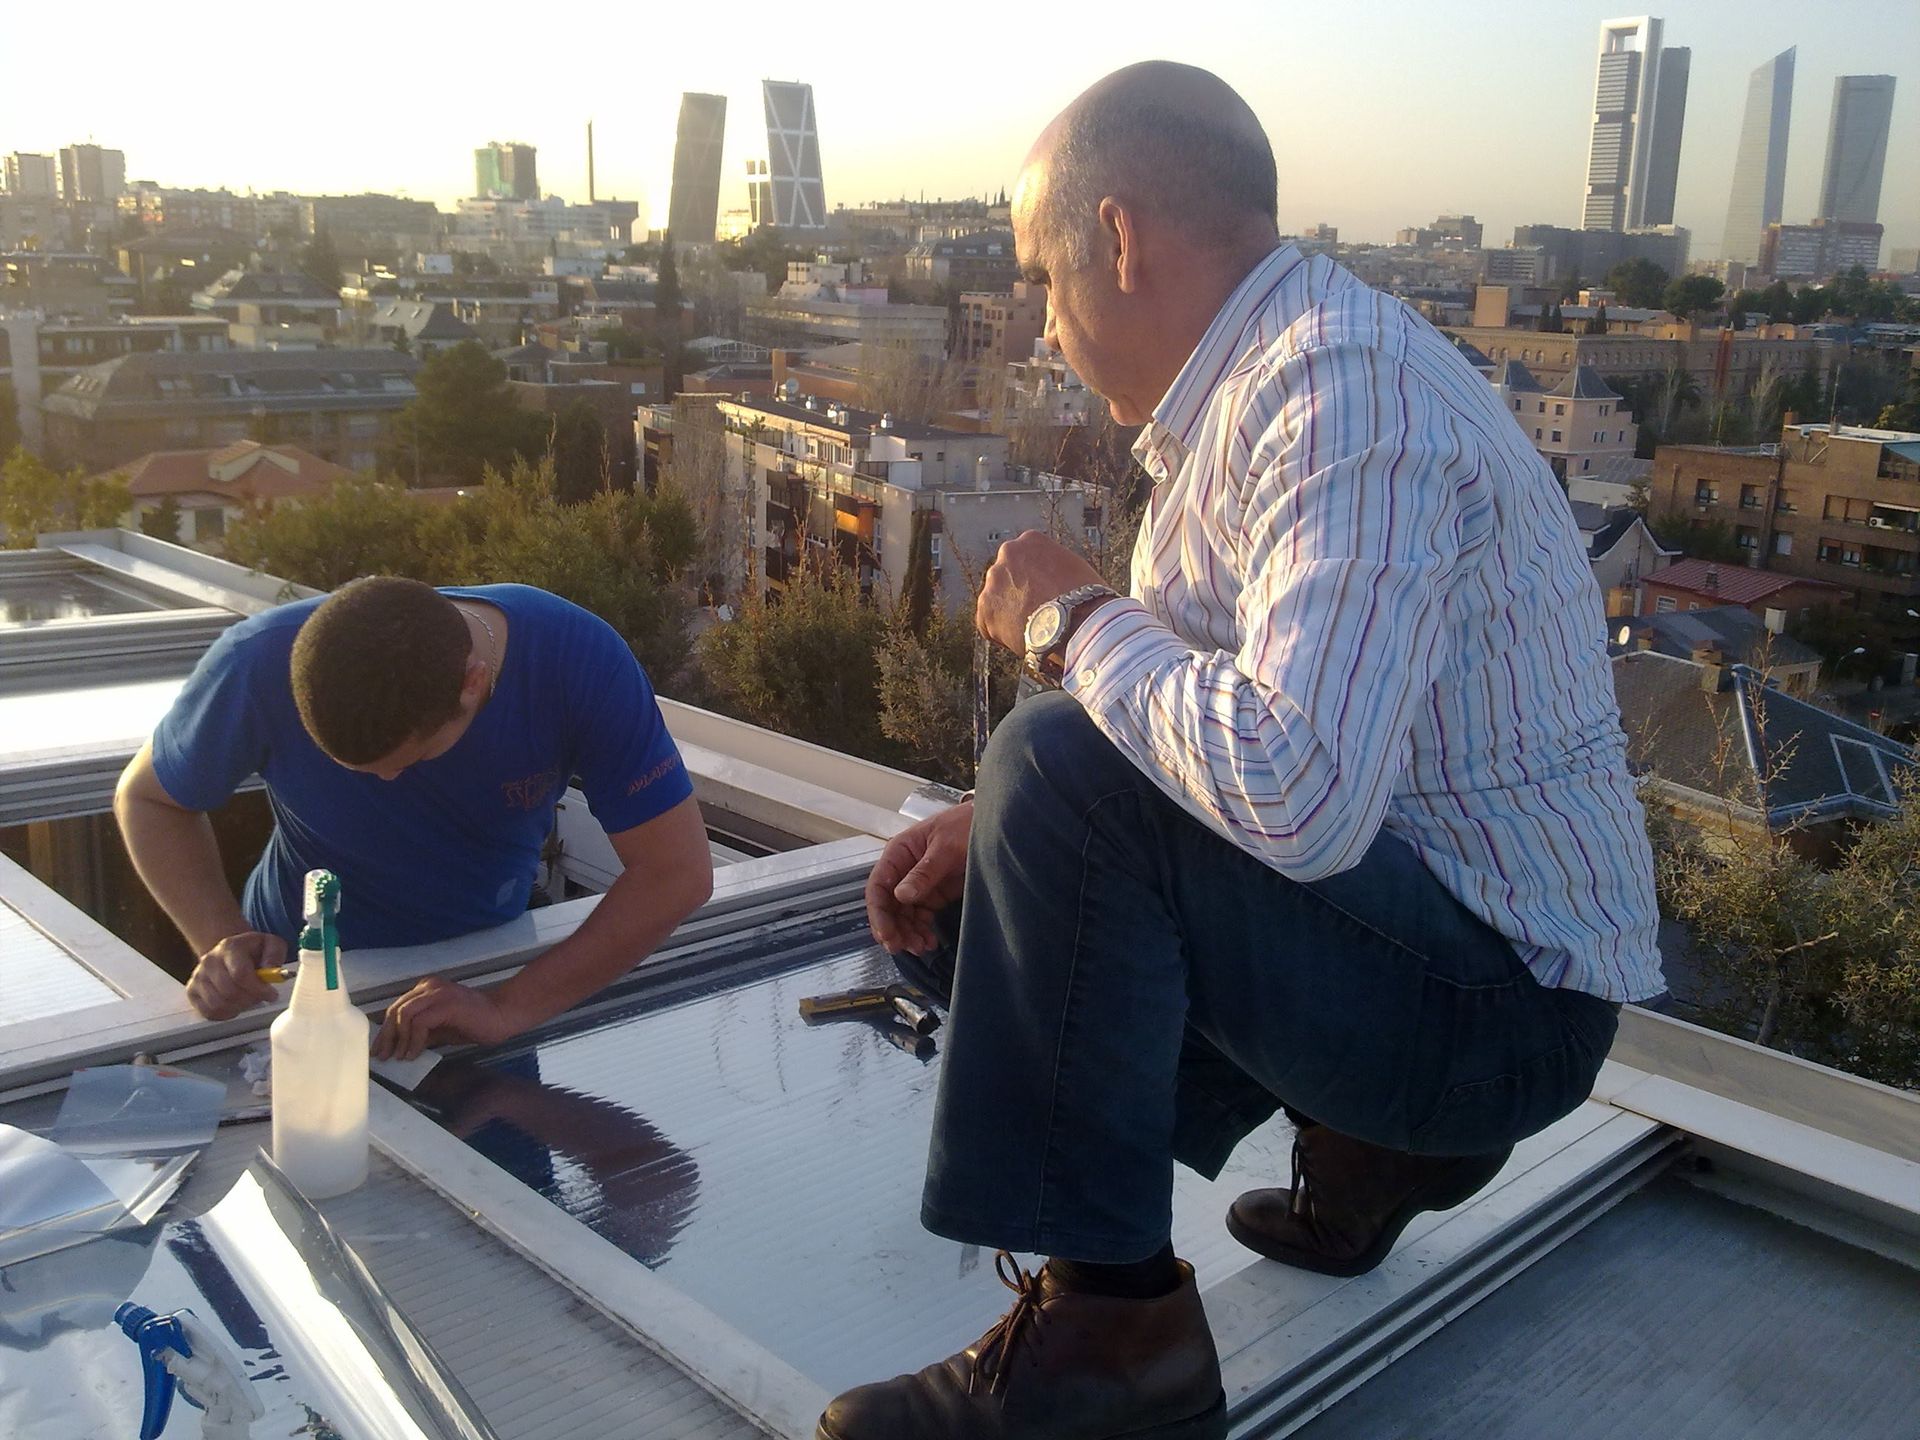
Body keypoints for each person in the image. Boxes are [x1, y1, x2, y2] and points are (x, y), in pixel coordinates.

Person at [819, 61, 1663, 1440]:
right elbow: (1201, 735)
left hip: (1500, 1020)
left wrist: (1072, 624)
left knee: (1050, 756)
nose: (1041, 324)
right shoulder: (1257, 395)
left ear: (1120, 238)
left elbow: (1302, 794)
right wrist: (995, 836)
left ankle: (1115, 1346)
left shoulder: (1344, 398)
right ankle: (1381, 1148)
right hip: (1423, 957)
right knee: (996, 883)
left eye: (1042, 277)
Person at [114, 576, 713, 1062]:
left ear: (473, 685)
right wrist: (221, 941)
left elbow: (676, 872)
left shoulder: (576, 661)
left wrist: (505, 1006)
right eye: (356, 769)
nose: (387, 785)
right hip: (293, 991)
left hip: (480, 978)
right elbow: (148, 800)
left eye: (411, 759)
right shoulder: (257, 660)